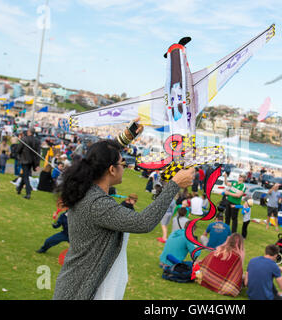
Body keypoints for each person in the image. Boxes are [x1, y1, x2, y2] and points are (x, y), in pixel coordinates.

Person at [53, 120, 195, 300]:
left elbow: (96, 158)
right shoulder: (97, 204)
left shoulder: (88, 188)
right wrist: (174, 185)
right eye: (122, 163)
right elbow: (143, 222)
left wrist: (125, 138)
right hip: (80, 293)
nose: (125, 167)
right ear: (111, 170)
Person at [16, 128, 41, 199]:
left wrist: (18, 154)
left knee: (26, 176)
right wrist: (37, 164)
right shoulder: (37, 141)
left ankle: (28, 192)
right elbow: (38, 153)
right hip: (32, 161)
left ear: (29, 132)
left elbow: (19, 149)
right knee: (25, 174)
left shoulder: (24, 139)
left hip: (25, 160)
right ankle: (19, 188)